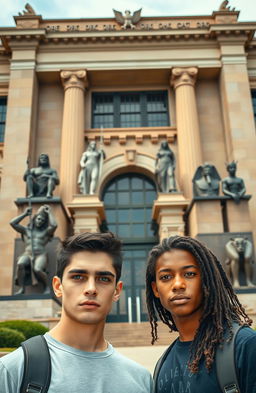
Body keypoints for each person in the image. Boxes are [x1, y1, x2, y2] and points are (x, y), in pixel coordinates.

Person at [0, 232, 153, 393]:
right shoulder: (13, 370)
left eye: (104, 279)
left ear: (117, 291)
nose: (91, 289)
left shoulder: (140, 380)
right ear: (58, 286)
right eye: (78, 277)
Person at [146, 235, 256, 393]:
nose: (178, 285)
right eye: (166, 277)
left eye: (189, 274)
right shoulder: (162, 365)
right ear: (156, 289)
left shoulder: (245, 346)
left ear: (207, 280)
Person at [10, 204, 57, 295]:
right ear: (35, 219)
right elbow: (12, 223)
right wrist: (25, 214)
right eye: (39, 219)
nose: (40, 221)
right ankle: (22, 289)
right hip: (27, 254)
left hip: (40, 254)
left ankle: (46, 287)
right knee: (21, 264)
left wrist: (49, 213)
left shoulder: (45, 232)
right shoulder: (27, 230)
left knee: (38, 269)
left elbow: (54, 225)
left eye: (42, 220)